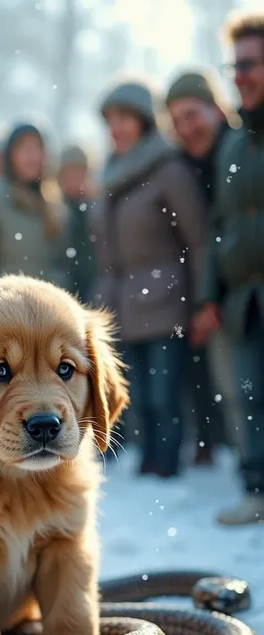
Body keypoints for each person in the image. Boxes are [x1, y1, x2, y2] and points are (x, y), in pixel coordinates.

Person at [93, 80, 207, 478]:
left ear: (143, 121)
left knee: (164, 395)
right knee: (137, 394)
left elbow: (197, 240)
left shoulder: (168, 169)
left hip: (164, 298)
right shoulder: (108, 172)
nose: (116, 128)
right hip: (121, 302)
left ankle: (167, 465)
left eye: (123, 118)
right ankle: (148, 462)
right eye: (110, 120)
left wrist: (202, 301)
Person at [194, 12, 264, 525]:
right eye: (235, 64)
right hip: (243, 298)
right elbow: (219, 227)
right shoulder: (234, 144)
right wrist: (210, 294)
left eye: (251, 63)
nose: (239, 74)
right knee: (249, 398)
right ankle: (257, 488)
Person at [166, 69, 243, 464]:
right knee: (233, 392)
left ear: (216, 108)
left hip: (244, 284)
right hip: (211, 294)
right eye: (177, 120)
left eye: (192, 115)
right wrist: (205, 299)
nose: (186, 128)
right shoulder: (182, 167)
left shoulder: (244, 146)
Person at [0, 123, 69, 289]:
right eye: (25, 150)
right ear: (11, 155)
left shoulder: (54, 203)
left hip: (44, 307)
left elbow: (62, 264)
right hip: (2, 306)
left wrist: (51, 295)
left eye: (37, 150)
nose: (32, 158)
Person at [57, 145, 97, 304]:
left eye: (79, 172)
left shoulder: (96, 209)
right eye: (69, 173)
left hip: (94, 289)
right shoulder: (53, 210)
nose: (74, 178)